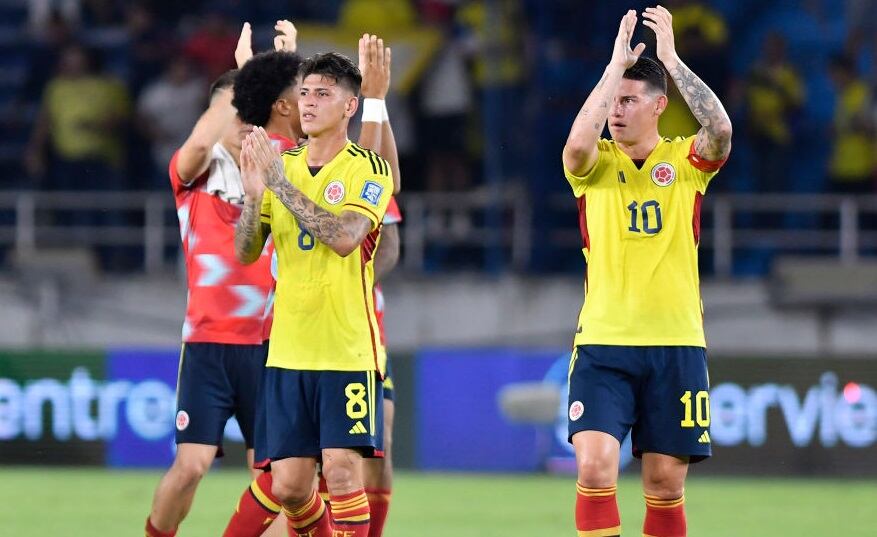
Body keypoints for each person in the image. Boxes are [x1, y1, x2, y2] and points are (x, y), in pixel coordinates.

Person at [561, 7, 731, 537]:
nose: (618, 110)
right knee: (593, 467)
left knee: (663, 485)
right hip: (604, 344)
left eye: (630, 100)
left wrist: (673, 60)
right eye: (615, 101)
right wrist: (614, 69)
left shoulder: (684, 164)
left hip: (675, 343)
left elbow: (720, 129)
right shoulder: (594, 167)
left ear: (659, 107)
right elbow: (575, 146)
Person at [221, 33, 400, 537]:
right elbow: (245, 251)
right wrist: (256, 197)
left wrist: (278, 184)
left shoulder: (370, 170)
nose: (309, 102)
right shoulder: (286, 164)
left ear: (350, 106)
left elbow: (344, 237)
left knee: (342, 470)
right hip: (287, 352)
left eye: (323, 93)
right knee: (292, 487)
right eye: (304, 93)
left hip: (345, 351)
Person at [143, 70, 274, 537]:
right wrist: (239, 86)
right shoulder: (194, 173)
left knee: (276, 482)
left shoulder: (275, 168)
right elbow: (200, 142)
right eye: (233, 111)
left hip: (269, 346)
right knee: (192, 467)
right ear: (215, 115)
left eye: (250, 111)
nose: (243, 121)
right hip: (207, 344)